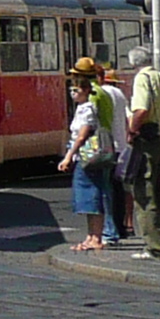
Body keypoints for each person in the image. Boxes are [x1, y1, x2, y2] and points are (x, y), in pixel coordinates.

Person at [124, 48, 160, 260]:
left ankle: (154, 247)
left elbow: (142, 109)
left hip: (148, 141)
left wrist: (132, 130)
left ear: (133, 64)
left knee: (145, 194)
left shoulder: (142, 79)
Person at [58, 57, 119, 251]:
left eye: (75, 87)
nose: (72, 92)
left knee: (94, 194)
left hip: (92, 153)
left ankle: (101, 235)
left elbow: (85, 131)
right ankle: (97, 235)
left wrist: (69, 155)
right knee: (101, 192)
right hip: (102, 149)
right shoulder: (103, 92)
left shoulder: (92, 98)